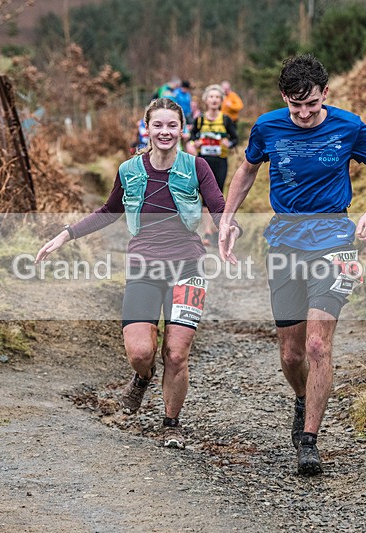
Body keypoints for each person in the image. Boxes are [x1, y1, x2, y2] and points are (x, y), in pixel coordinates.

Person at [217, 54, 366, 476]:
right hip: (284, 243)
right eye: (296, 107)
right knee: (291, 354)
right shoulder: (267, 127)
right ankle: (302, 398)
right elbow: (246, 171)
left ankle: (310, 441)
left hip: (334, 240)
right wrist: (227, 216)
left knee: (317, 345)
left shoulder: (349, 126)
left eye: (312, 104)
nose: (305, 114)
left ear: (324, 94)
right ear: (284, 99)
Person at [36, 98, 241, 449]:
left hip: (188, 267)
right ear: (146, 128)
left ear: (181, 129)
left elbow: (219, 206)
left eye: (171, 126)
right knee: (140, 353)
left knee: (176, 353)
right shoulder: (129, 170)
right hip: (144, 267)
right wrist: (65, 234)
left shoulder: (197, 167)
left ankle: (171, 424)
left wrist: (229, 228)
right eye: (157, 125)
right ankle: (142, 378)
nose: (165, 132)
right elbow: (109, 211)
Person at [187, 84, 238, 244]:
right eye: (211, 97)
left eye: (217, 97)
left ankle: (216, 229)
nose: (214, 100)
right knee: (203, 197)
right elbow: (192, 137)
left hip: (220, 162)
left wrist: (228, 143)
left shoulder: (225, 119)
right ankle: (207, 232)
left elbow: (235, 139)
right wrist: (195, 143)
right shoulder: (200, 120)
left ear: (221, 100)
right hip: (203, 162)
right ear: (206, 100)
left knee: (217, 196)